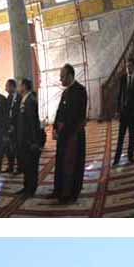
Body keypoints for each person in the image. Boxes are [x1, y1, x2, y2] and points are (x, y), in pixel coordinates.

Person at [51, 63, 87, 203]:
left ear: (70, 76)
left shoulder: (80, 90)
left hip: (73, 136)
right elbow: (59, 111)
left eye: (62, 77)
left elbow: (77, 116)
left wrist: (63, 130)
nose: (61, 80)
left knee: (73, 165)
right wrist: (54, 127)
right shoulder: (65, 92)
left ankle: (71, 193)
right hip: (62, 135)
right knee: (60, 163)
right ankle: (58, 190)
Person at [114, 56, 134, 165]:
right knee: (120, 137)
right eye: (127, 66)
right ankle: (116, 159)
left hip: (133, 114)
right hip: (123, 113)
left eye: (130, 66)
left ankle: (130, 156)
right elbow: (119, 95)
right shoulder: (122, 79)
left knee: (132, 136)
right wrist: (118, 110)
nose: (128, 68)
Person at [15, 78, 42, 197]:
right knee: (26, 165)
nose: (18, 87)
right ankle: (26, 187)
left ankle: (31, 189)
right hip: (24, 140)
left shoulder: (30, 100)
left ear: (24, 86)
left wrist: (34, 141)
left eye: (19, 85)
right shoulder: (24, 99)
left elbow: (32, 123)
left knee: (31, 166)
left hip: (29, 140)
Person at [3, 79, 20, 174]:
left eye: (7, 86)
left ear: (13, 87)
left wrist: (14, 125)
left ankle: (19, 167)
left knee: (17, 148)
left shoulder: (19, 97)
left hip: (17, 127)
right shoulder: (8, 98)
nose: (6, 88)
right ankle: (10, 166)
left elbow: (19, 114)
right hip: (8, 126)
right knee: (8, 148)